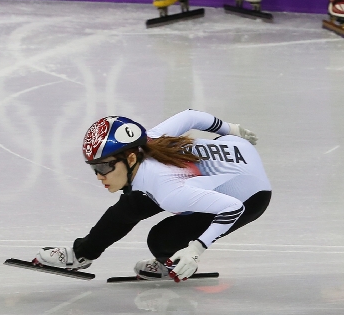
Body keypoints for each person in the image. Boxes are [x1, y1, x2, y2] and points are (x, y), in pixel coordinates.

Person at [33, 110, 271, 281]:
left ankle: (171, 262)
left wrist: (195, 250)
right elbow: (190, 116)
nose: (99, 175)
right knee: (128, 207)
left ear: (131, 158)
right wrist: (231, 130)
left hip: (250, 196)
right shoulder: (148, 140)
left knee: (161, 240)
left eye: (104, 167)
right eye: (94, 167)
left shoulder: (168, 191)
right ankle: (81, 255)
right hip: (234, 148)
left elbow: (232, 209)